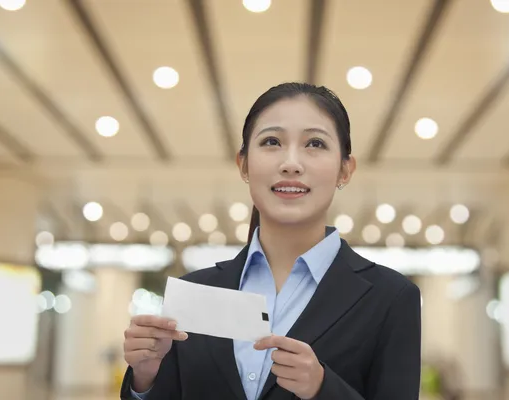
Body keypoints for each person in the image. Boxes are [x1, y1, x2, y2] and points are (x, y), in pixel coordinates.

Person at [120, 82, 422, 400]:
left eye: (315, 143)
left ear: (345, 170)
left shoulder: (391, 298)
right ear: (244, 165)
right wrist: (146, 377)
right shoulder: (196, 293)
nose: (290, 163)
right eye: (272, 141)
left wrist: (323, 388)